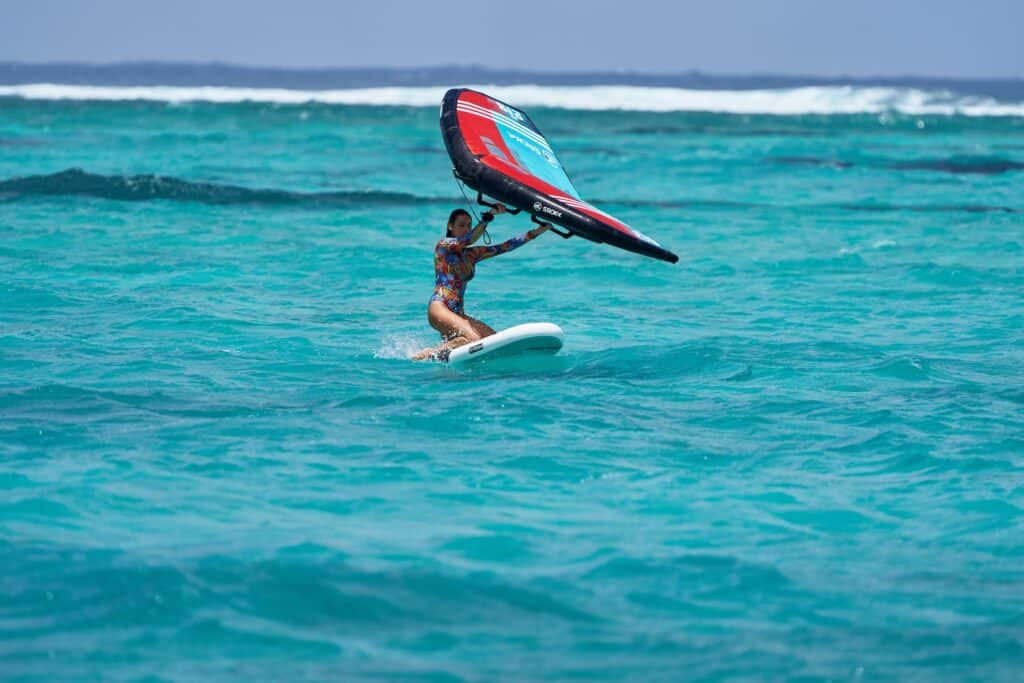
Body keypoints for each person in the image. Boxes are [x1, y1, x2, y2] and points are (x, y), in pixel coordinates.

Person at [412, 203, 550, 360]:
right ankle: (426, 355)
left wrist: (537, 232)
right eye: (461, 225)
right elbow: (469, 239)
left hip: (457, 313)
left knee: (492, 339)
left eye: (469, 225)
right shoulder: (443, 246)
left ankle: (448, 355)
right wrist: (488, 216)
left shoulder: (472, 254)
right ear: (450, 226)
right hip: (440, 307)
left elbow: (505, 247)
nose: (466, 228)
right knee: (474, 340)